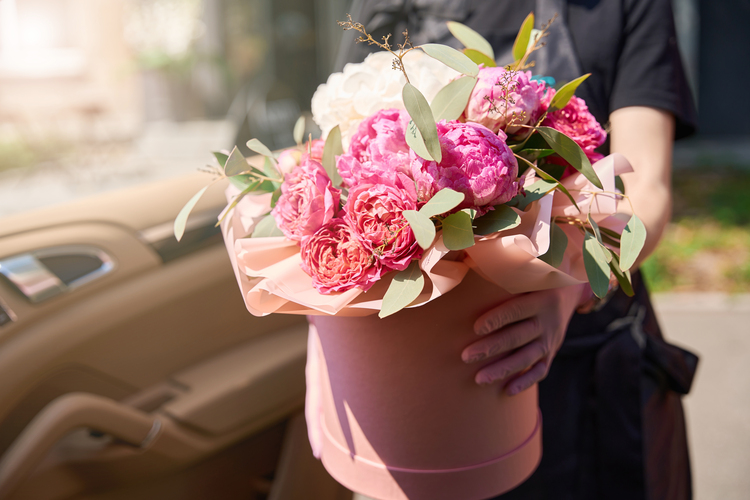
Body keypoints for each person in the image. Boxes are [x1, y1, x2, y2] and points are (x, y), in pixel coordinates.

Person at [336, 0, 699, 498]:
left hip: (585, 370)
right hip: (429, 379)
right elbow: (342, 156)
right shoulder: (386, 7)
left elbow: (646, 189)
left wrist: (570, 288)